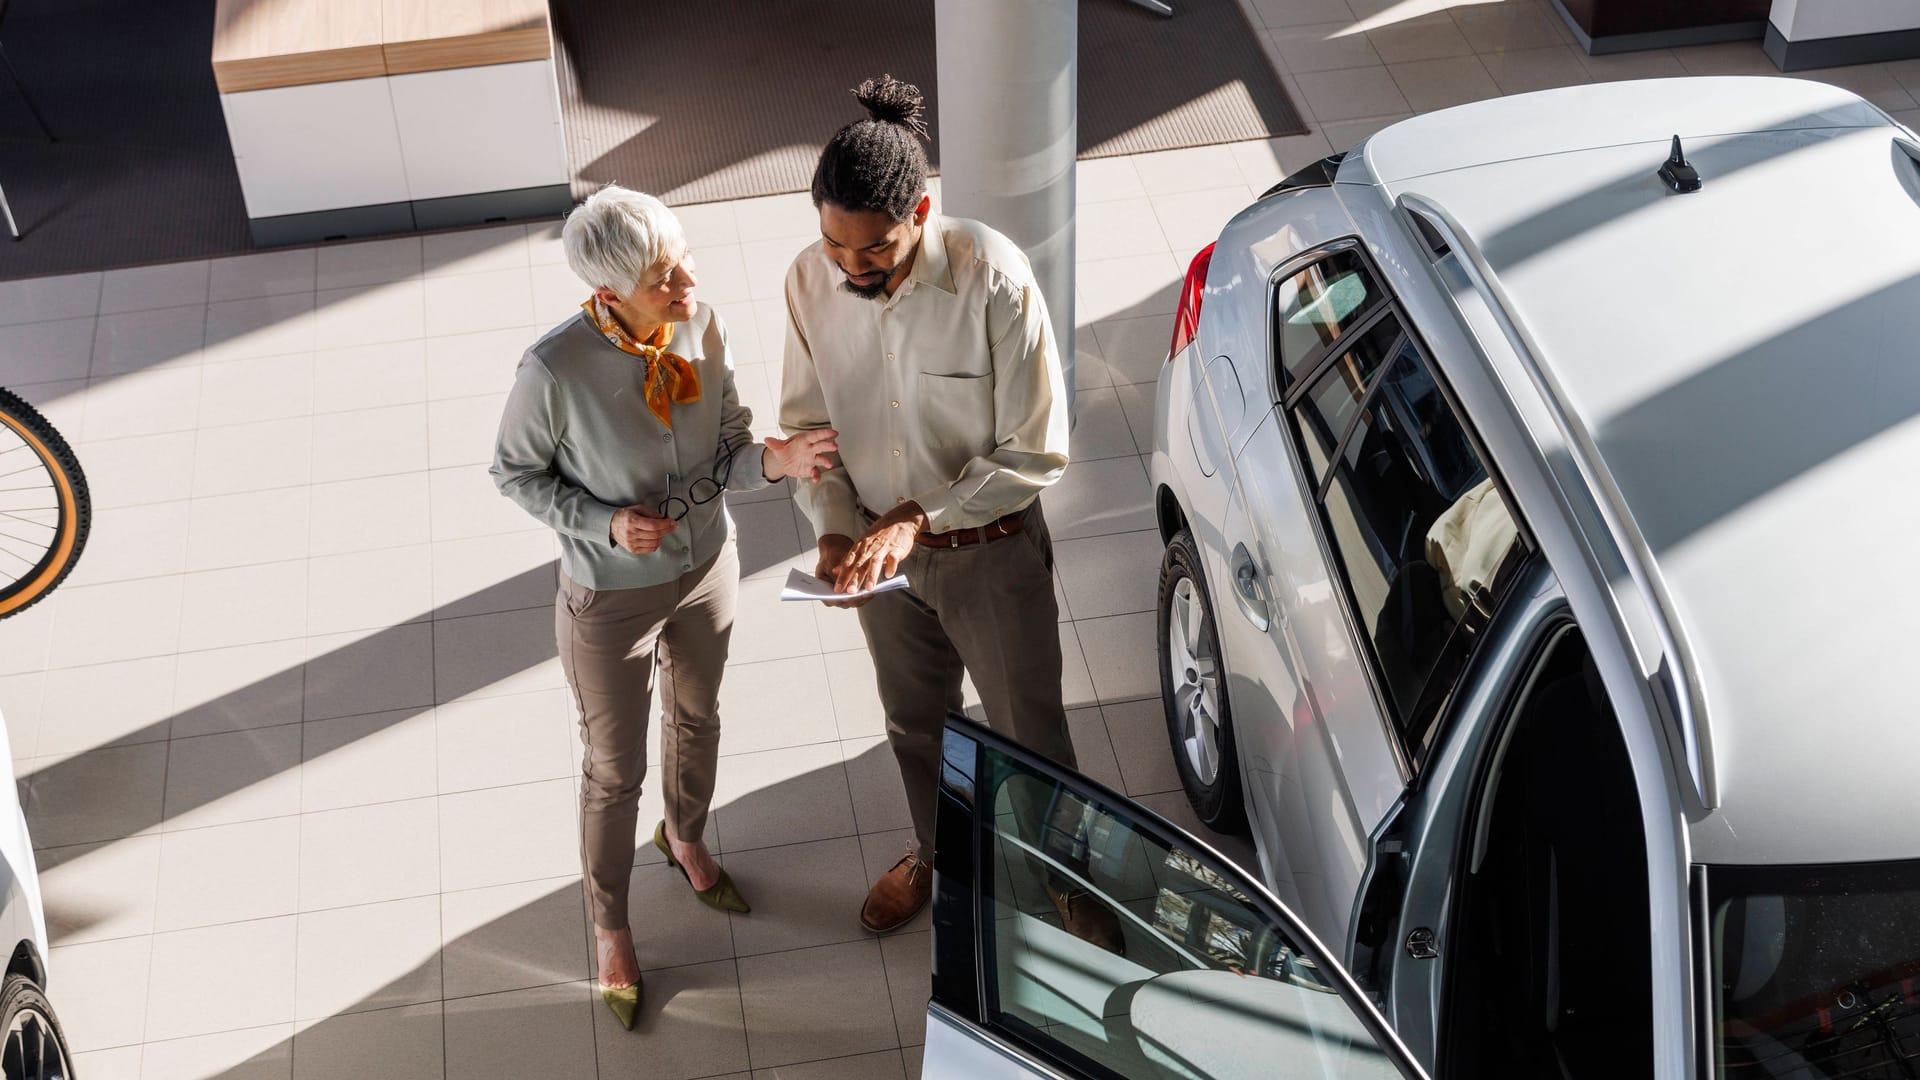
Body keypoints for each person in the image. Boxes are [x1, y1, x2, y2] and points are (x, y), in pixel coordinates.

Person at [491, 186, 837, 1030]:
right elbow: (514, 473)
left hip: (708, 565)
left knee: (700, 719)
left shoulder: (702, 322)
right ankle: (610, 927)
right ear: (608, 294)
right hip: (609, 597)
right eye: (662, 278)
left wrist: (779, 459)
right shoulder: (553, 370)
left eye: (683, 258)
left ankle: (684, 839)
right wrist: (604, 522)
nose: (688, 283)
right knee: (614, 772)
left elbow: (729, 446)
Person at [779, 76, 1113, 944]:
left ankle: (1062, 882)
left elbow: (1037, 450)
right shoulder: (809, 283)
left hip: (991, 552)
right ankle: (936, 852)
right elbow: (810, 426)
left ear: (921, 212)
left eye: (875, 250)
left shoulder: (993, 279)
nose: (851, 268)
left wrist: (916, 518)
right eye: (833, 246)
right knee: (913, 723)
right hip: (880, 560)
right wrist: (835, 527)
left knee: (1029, 733)